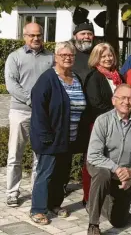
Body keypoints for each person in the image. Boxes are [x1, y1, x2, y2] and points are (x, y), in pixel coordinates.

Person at [29, 41, 87, 225]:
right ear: (56, 57)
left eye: (71, 55)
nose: (68, 58)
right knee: (45, 173)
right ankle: (37, 209)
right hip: (51, 138)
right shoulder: (47, 79)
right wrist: (46, 137)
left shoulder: (76, 77)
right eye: (63, 55)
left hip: (68, 138)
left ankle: (54, 204)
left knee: (62, 174)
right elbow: (39, 111)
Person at [86, 84, 131, 235]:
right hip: (101, 165)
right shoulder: (102, 121)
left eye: (130, 98)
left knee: (120, 221)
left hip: (126, 173)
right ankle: (93, 224)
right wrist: (117, 169)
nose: (126, 102)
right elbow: (94, 155)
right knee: (103, 175)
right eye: (122, 98)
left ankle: (102, 199)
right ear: (113, 100)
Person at [5, 23, 53, 207]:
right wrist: (32, 100)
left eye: (38, 35)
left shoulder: (51, 57)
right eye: (31, 35)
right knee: (14, 154)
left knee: (39, 155)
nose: (35, 38)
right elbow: (11, 84)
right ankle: (12, 192)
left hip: (43, 115)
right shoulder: (14, 57)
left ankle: (37, 191)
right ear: (24, 36)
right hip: (20, 111)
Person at [82, 43, 124, 207]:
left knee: (112, 159)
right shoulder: (94, 77)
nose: (107, 58)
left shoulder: (118, 76)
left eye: (110, 55)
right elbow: (96, 104)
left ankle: (108, 195)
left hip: (118, 125)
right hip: (99, 126)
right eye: (103, 56)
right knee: (94, 161)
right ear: (97, 58)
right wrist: (118, 112)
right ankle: (88, 197)